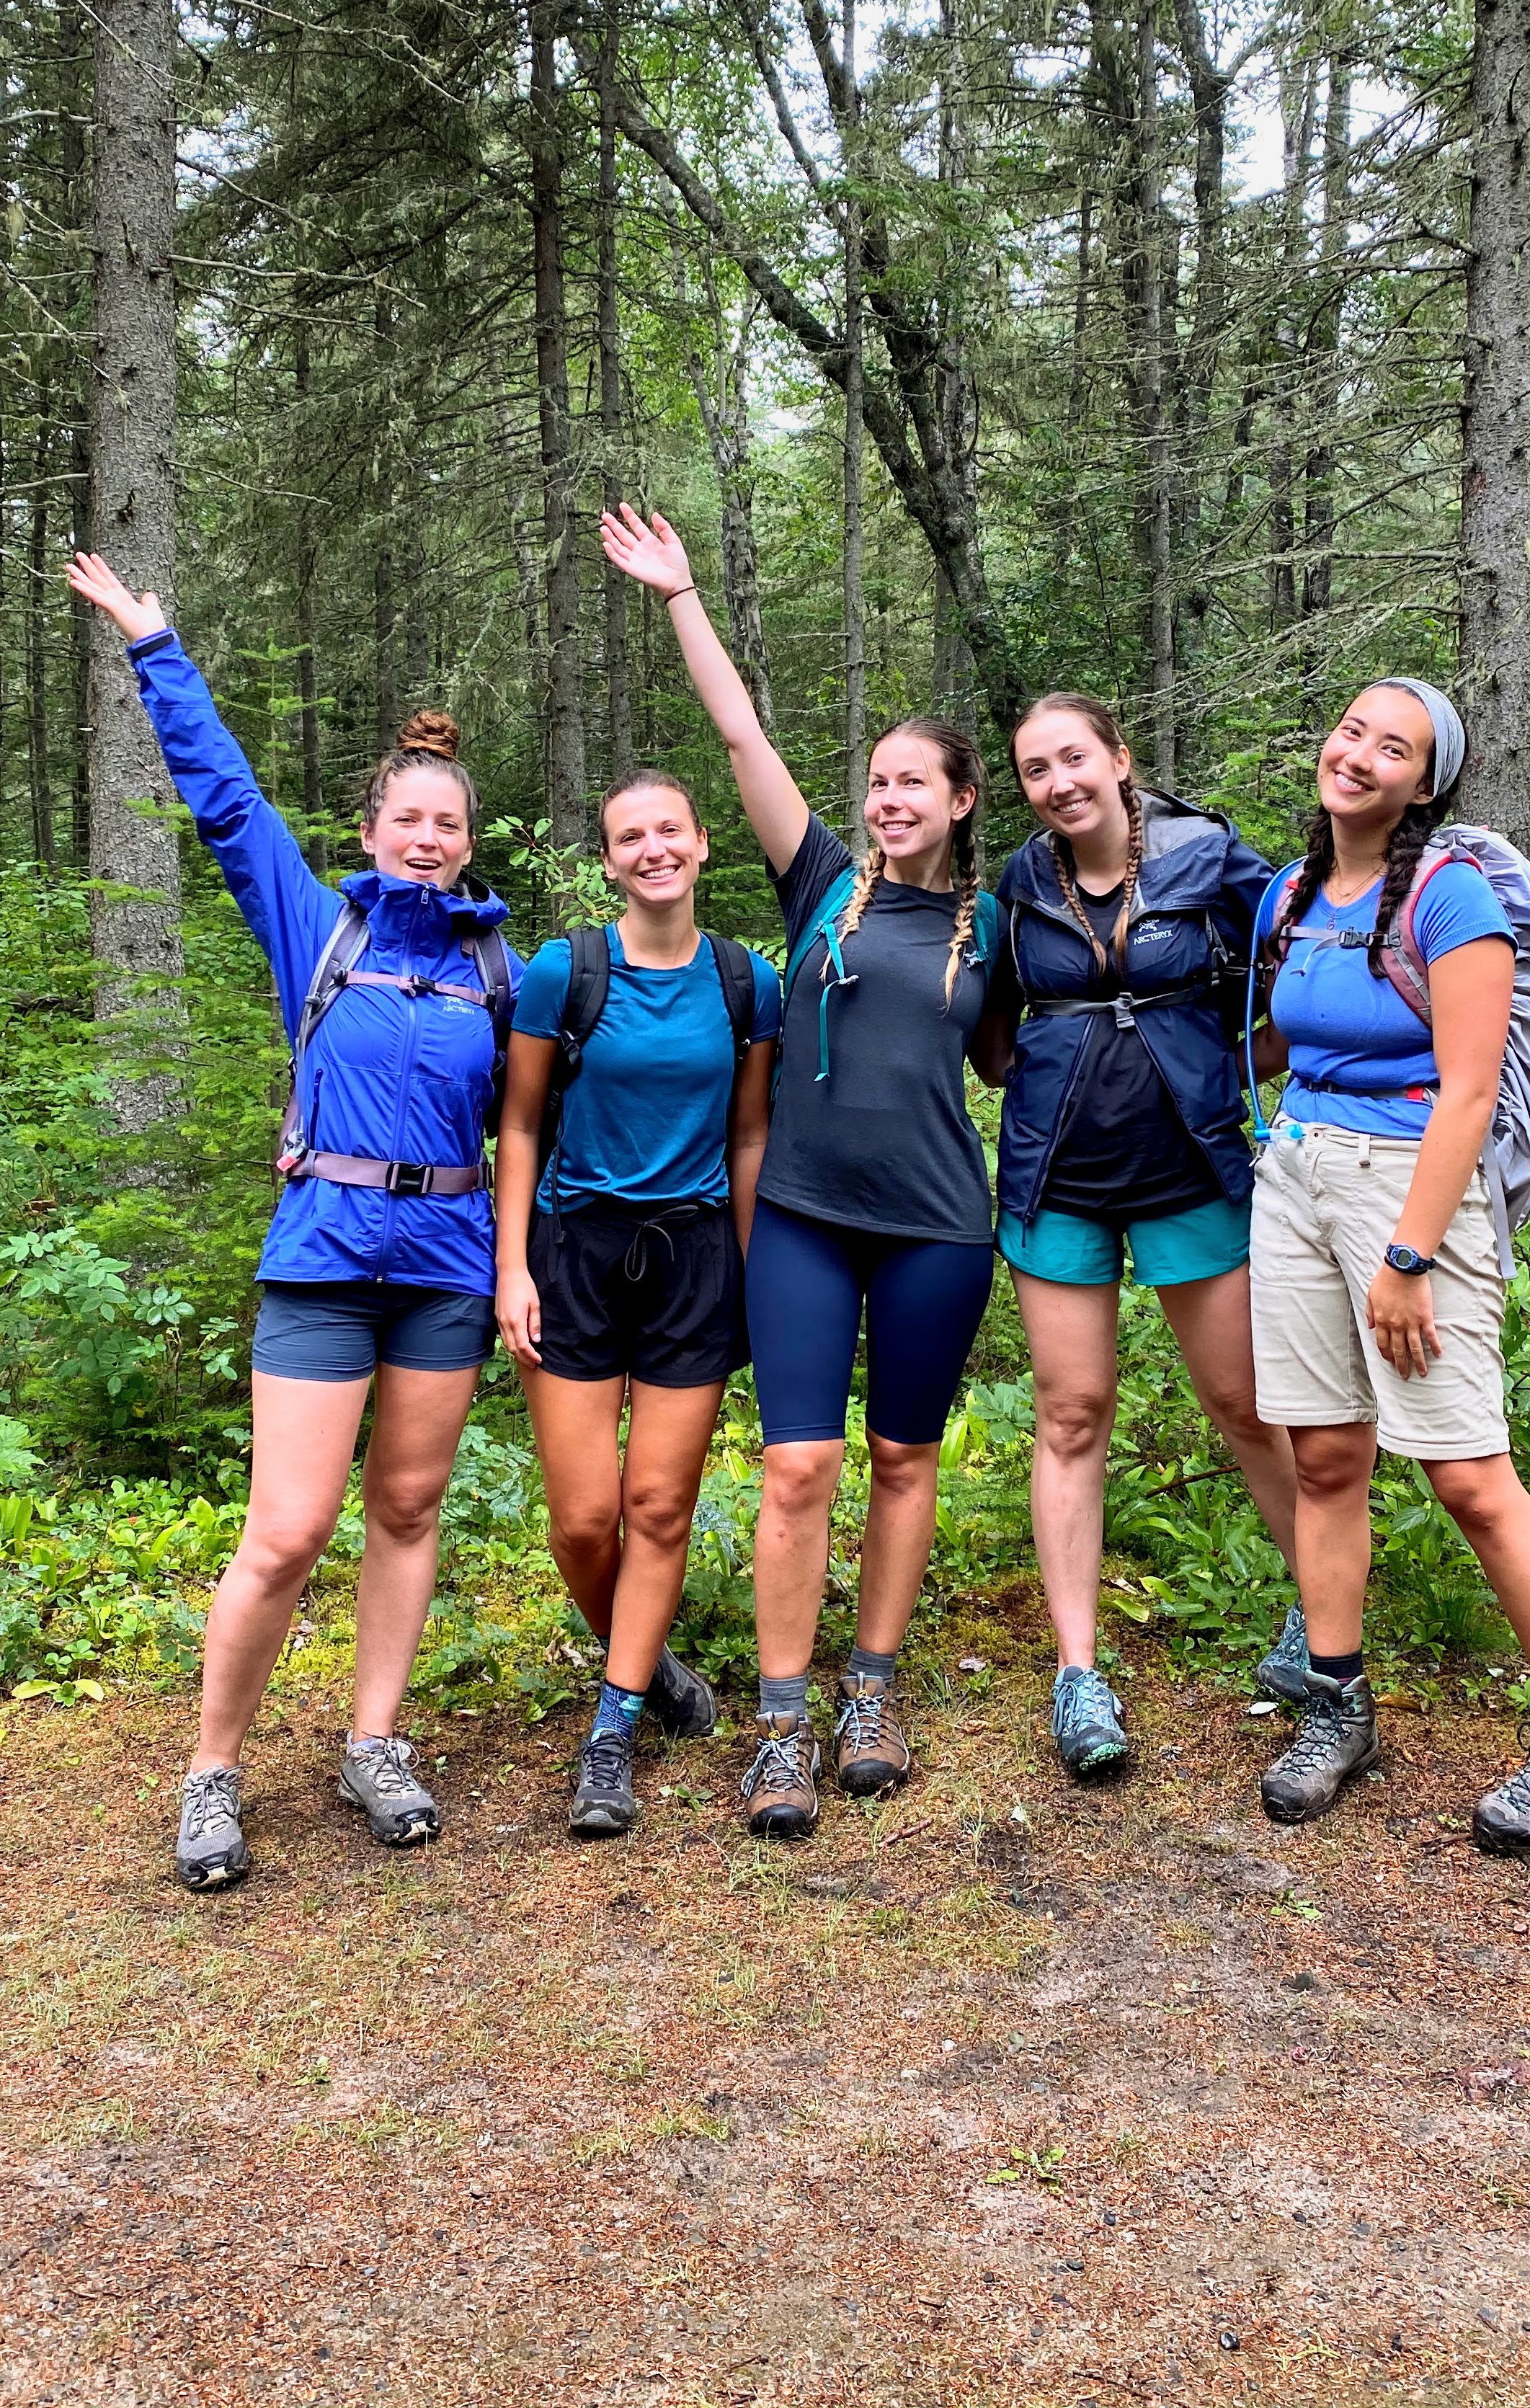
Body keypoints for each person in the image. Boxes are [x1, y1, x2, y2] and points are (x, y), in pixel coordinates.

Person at [68, 551, 522, 1893]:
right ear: (373, 831)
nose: (428, 839)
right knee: (287, 1529)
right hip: (322, 1263)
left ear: (467, 839)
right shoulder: (316, 928)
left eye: (449, 824)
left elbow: (540, 1122)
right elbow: (224, 798)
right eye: (409, 822)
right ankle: (214, 1769)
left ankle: (373, 1741)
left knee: (411, 1504)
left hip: (443, 1273)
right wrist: (156, 643)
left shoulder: (501, 970)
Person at [601, 503, 1003, 1840]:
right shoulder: (823, 886)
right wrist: (678, 598)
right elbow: (740, 738)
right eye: (876, 780)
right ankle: (782, 1723)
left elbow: (1050, 1035)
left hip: (942, 1223)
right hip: (807, 1222)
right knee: (795, 1468)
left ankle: (870, 1693)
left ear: (957, 802)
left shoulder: (997, 921)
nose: (888, 799)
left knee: (902, 1454)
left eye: (914, 784)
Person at [1248, 677, 1530, 1849]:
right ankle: (1337, 1705)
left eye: (1390, 747)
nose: (1356, 755)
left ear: (1425, 781)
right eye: (1351, 730)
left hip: (1412, 1196)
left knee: (1466, 1473)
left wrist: (1408, 1255)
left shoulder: (1454, 897)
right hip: (1296, 1175)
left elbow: (1469, 1090)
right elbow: (1279, 1042)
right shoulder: (1291, 893)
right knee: (1323, 1461)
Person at [972, 694, 1302, 1777]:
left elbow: (1301, 971)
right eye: (1035, 769)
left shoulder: (1211, 858)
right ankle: (1078, 1675)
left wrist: (1234, 1069)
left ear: (1119, 759)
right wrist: (1031, 1083)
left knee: (1244, 1405)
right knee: (1071, 1414)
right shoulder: (1019, 889)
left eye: (1074, 759)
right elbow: (989, 1026)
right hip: (1058, 1178)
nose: (1058, 782)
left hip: (1192, 1171)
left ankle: (1323, 1624)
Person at [494, 768, 780, 1839]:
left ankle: (612, 1729)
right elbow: (519, 1125)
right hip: (573, 1250)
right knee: (581, 1519)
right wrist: (510, 1265)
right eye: (630, 837)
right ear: (608, 860)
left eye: (671, 830)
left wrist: (757, 1275)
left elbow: (749, 1135)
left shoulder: (748, 981)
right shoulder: (563, 973)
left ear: (704, 845)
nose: (653, 849)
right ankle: (649, 1662)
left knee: (658, 1507)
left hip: (697, 1256)